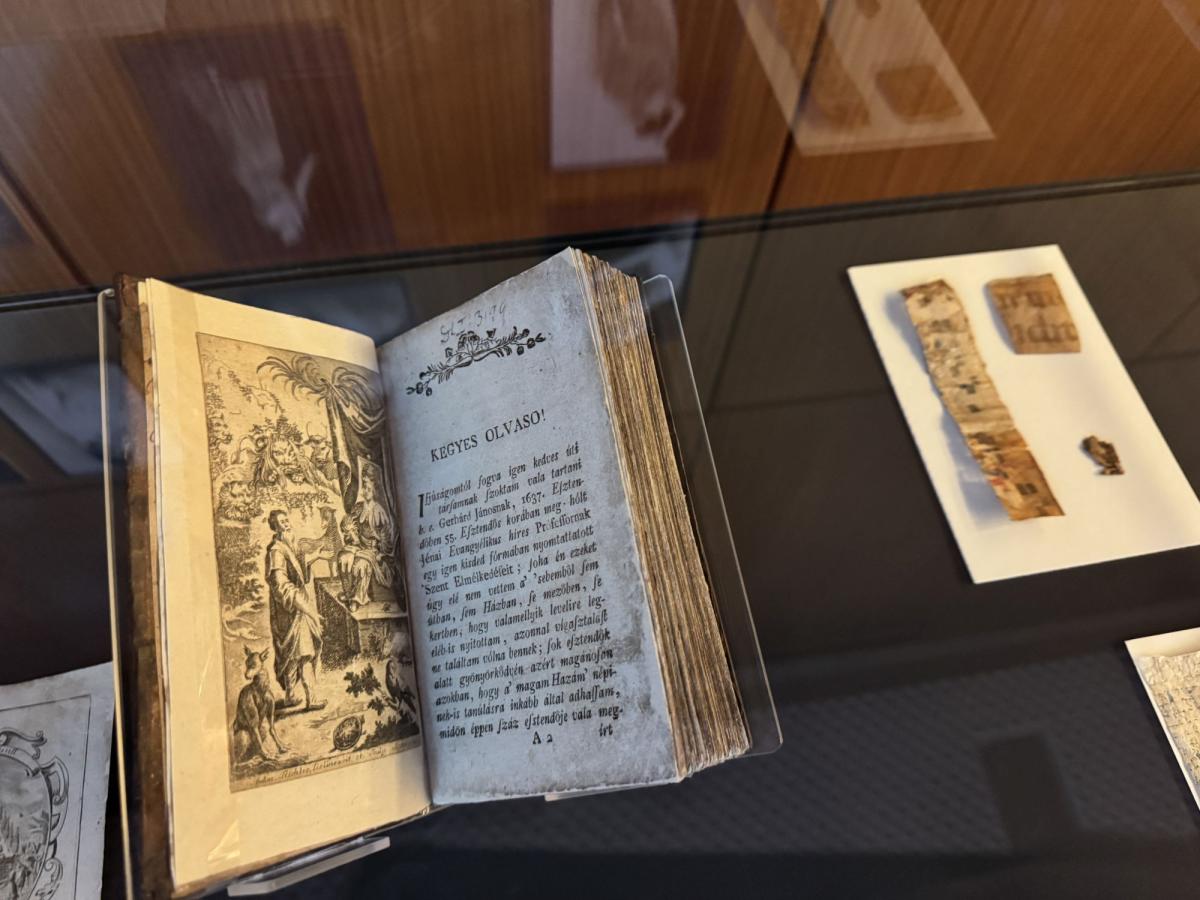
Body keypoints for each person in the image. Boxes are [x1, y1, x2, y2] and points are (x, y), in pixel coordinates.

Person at [265, 510, 325, 711]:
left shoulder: (287, 546)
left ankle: (291, 696)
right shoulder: (276, 551)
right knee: (303, 653)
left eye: (287, 520)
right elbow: (281, 585)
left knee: (294, 654)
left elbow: (298, 570)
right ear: (275, 527)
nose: (287, 524)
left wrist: (314, 557)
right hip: (289, 610)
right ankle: (312, 698)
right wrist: (307, 609)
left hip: (296, 607)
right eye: (282, 522)